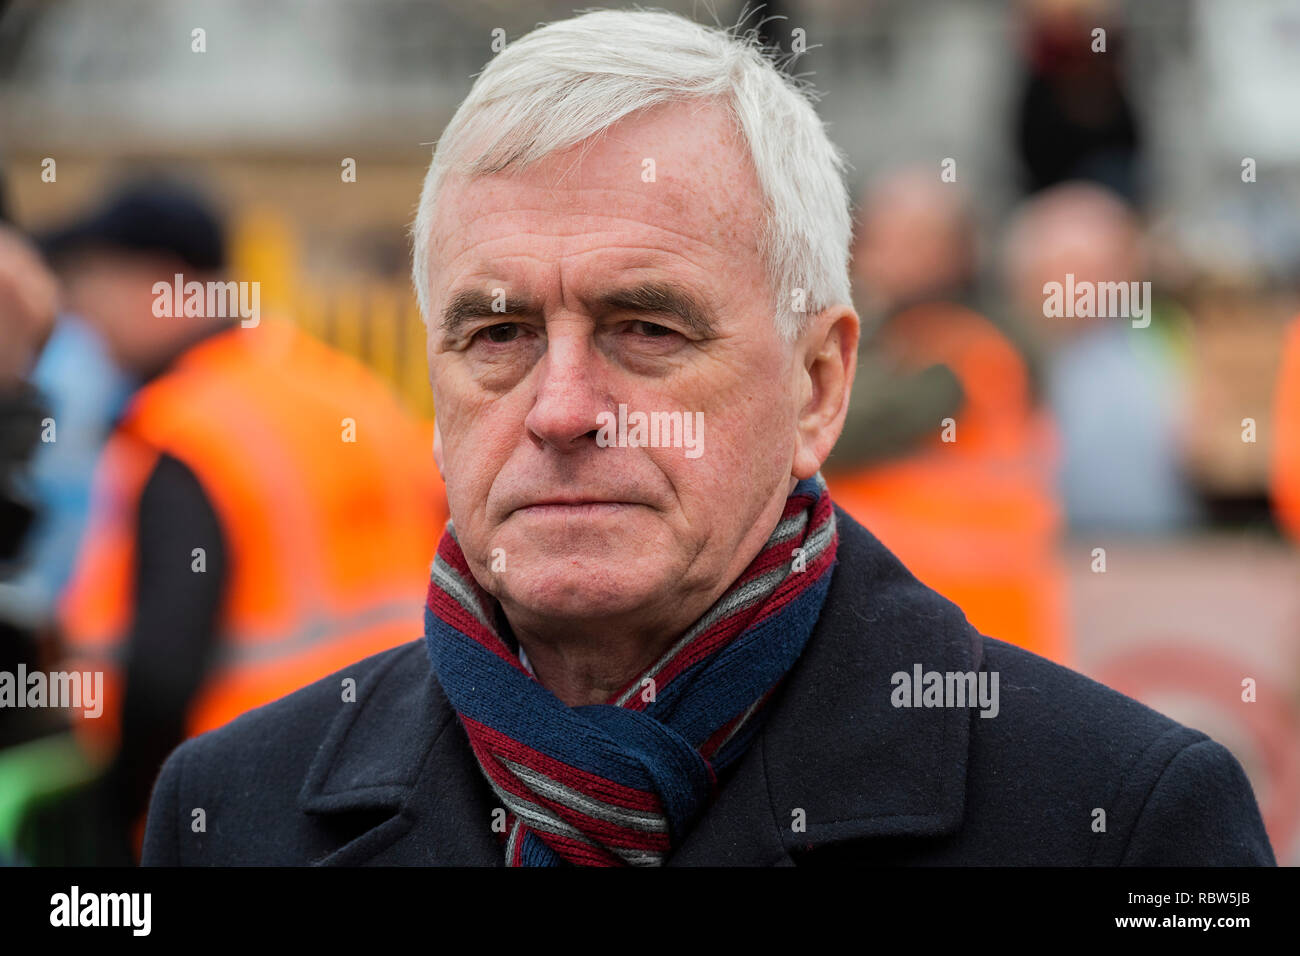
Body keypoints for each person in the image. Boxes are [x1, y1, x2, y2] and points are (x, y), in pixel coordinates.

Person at [142, 10, 1273, 866]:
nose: (562, 407)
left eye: (645, 327)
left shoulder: (1121, 819)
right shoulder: (231, 807)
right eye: (497, 331)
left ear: (819, 384)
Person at [46, 181, 445, 861]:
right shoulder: (347, 389)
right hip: (402, 785)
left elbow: (162, 673)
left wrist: (119, 818)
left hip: (241, 805)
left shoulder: (187, 426)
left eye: (91, 284)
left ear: (157, 282)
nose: (82, 316)